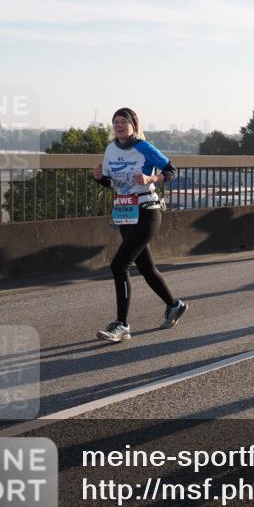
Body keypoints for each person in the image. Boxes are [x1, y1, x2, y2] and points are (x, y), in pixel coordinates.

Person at [91, 107, 187, 343]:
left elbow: (171, 170)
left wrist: (151, 178)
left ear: (133, 125)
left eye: (123, 121)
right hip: (125, 212)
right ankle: (174, 305)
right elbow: (114, 183)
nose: (119, 125)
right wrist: (100, 178)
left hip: (147, 211)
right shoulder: (111, 149)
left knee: (119, 265)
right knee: (146, 268)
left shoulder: (144, 147)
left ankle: (122, 324)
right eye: (115, 121)